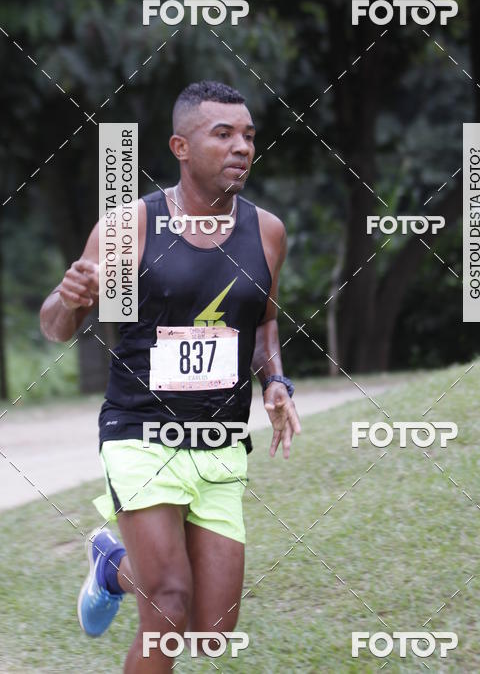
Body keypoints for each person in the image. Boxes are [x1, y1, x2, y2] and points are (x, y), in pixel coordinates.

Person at [40, 81, 301, 672]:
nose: (242, 147)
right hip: (140, 432)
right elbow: (56, 326)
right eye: (223, 134)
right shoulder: (130, 226)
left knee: (212, 632)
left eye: (248, 136)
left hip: (219, 440)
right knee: (168, 604)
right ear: (180, 147)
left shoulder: (266, 232)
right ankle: (127, 570)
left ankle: (111, 565)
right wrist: (70, 298)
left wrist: (275, 382)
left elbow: (262, 321)